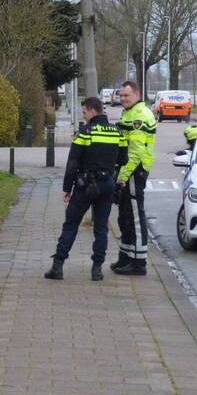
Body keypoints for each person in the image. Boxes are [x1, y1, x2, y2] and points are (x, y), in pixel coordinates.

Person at [45, 97, 128, 282]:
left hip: (85, 186)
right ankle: (97, 269)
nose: (84, 115)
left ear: (92, 111)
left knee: (71, 225)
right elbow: (124, 160)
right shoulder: (117, 132)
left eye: (84, 112)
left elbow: (72, 162)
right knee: (101, 227)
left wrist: (67, 188)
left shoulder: (86, 132)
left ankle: (57, 266)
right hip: (107, 185)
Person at [112, 81, 156, 276]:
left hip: (134, 171)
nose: (122, 99)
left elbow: (136, 152)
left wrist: (122, 175)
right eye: (121, 96)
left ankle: (139, 263)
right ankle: (126, 256)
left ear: (137, 94)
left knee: (135, 217)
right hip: (129, 171)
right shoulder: (129, 113)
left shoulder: (139, 115)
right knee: (125, 216)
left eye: (126, 96)